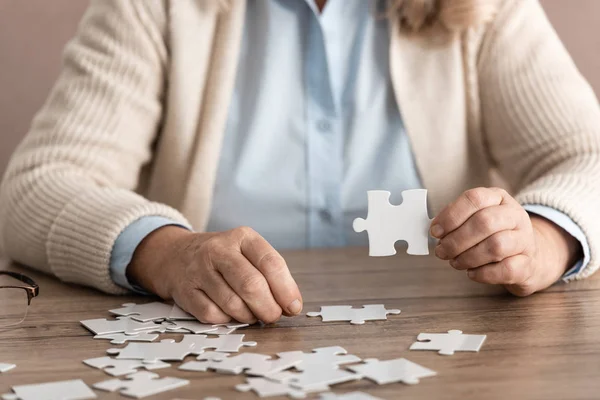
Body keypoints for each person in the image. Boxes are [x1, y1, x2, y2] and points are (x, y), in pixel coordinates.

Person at [1, 0, 599, 325]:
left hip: (447, 353)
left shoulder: (488, 10)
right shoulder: (150, 7)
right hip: (222, 355)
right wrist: (166, 252)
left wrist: (543, 241)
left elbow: (588, 156)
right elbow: (38, 184)